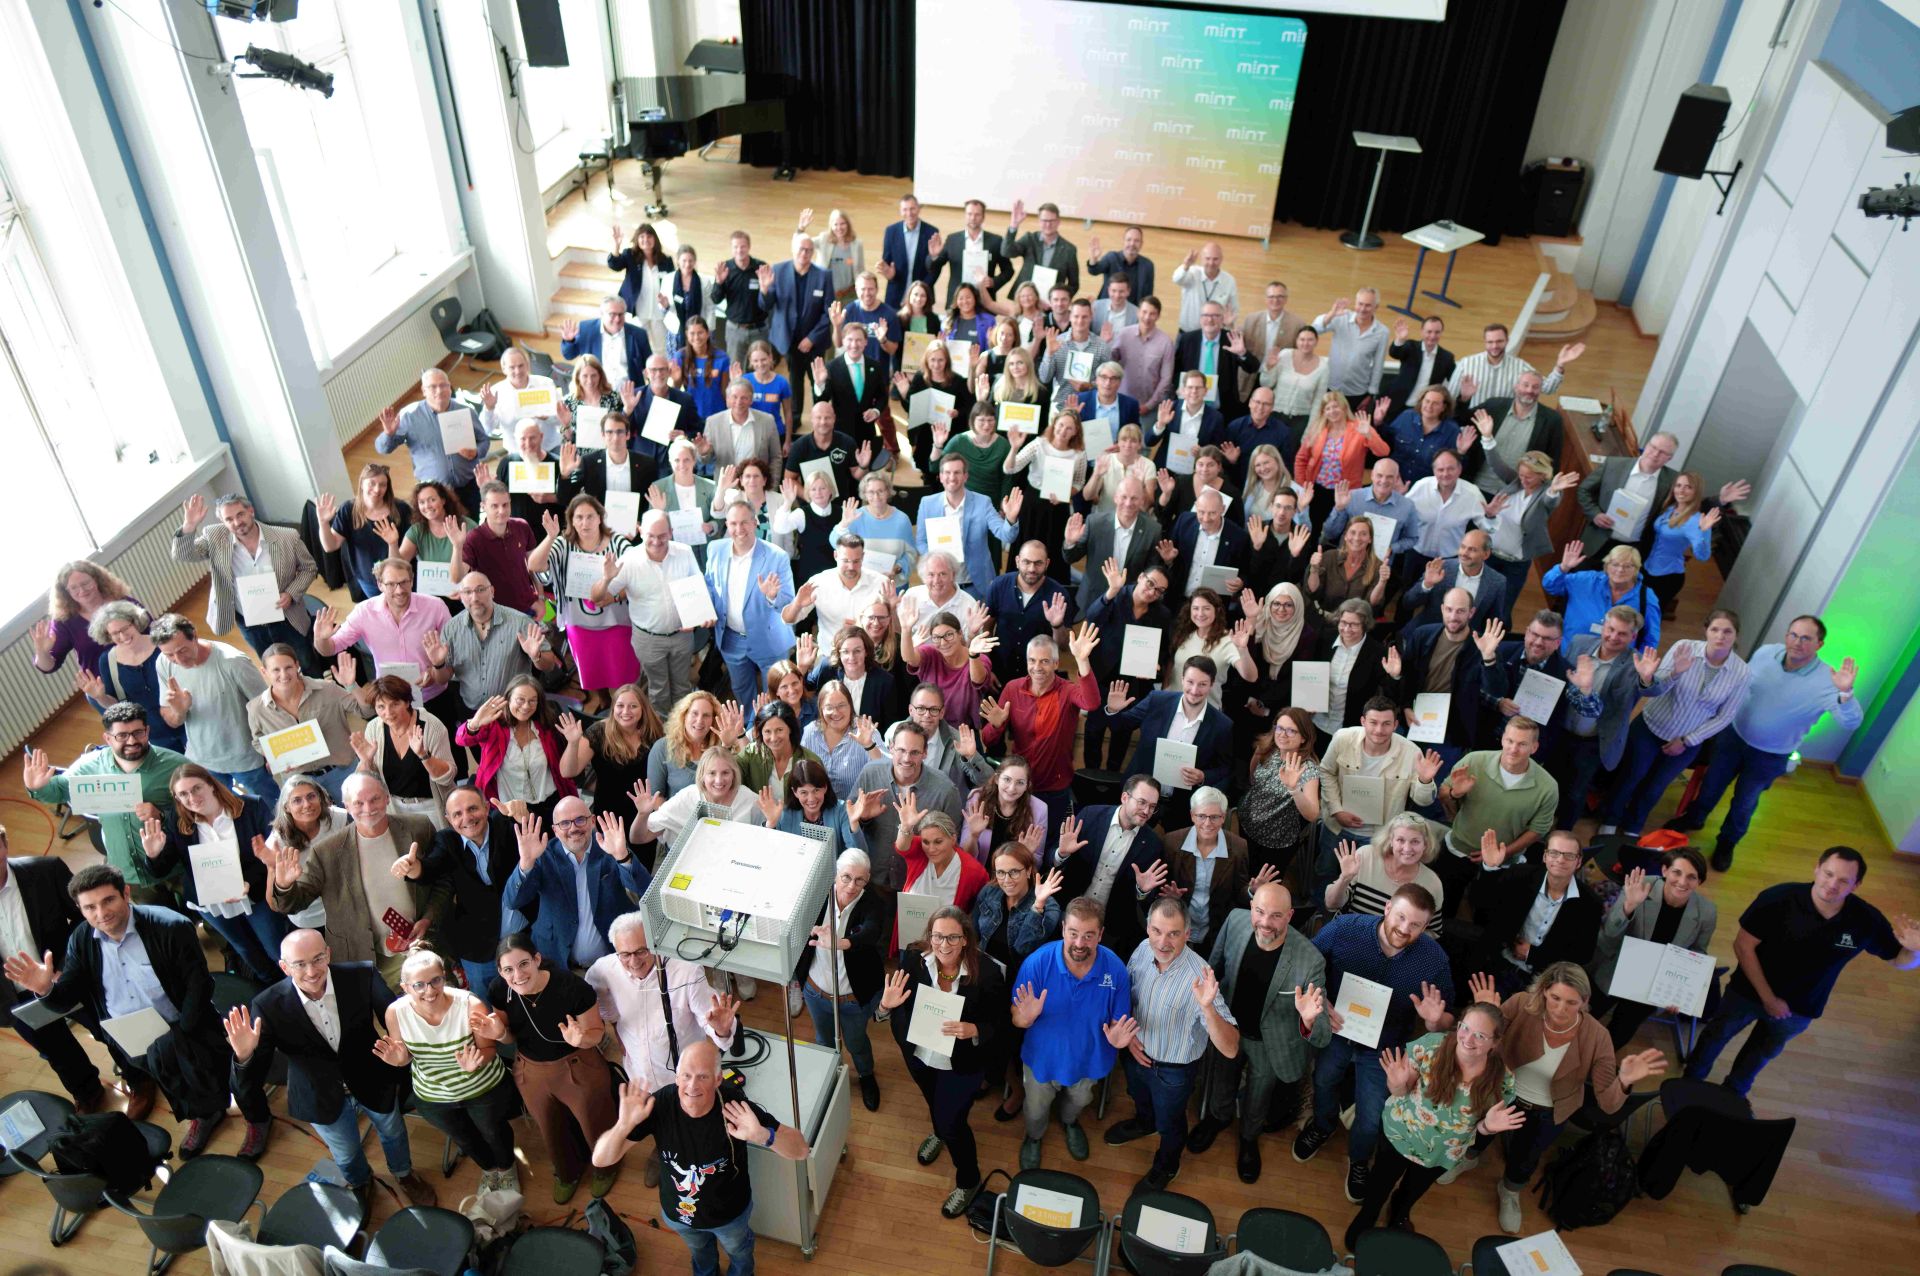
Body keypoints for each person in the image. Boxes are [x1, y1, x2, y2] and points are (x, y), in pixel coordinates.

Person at [6, 864, 266, 1157]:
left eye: (108, 900)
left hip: (186, 1027)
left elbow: (199, 985)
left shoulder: (171, 926)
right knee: (177, 1085)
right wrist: (45, 989)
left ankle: (257, 1120)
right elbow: (64, 1000)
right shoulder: (80, 939)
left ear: (126, 893)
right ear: (79, 909)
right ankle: (205, 1116)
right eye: (90, 907)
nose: (101, 913)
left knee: (226, 1078)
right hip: (132, 1037)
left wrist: (181, 1036)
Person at [225, 930, 438, 1207]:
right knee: (346, 1153)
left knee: (393, 1133)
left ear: (328, 954)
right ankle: (361, 1182)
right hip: (318, 1093)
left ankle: (403, 1174)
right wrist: (243, 1056)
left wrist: (404, 1051)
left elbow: (398, 1017)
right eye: (300, 964)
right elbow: (249, 1084)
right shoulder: (267, 1006)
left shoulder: (362, 975)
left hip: (372, 1077)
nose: (311, 971)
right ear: (284, 967)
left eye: (317, 959)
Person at [1686, 847, 1920, 1095]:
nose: (1832, 884)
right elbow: (1743, 946)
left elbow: (1899, 960)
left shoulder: (1866, 920)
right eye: (1828, 874)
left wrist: (1916, 950)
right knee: (1716, 1036)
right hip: (1747, 992)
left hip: (1800, 1008)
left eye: (1844, 881)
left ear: (1856, 885)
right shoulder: (1777, 899)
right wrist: (1769, 999)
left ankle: (1732, 1095)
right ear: (1816, 869)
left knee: (1761, 1053)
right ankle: (1689, 1083)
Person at [1465, 963, 1667, 1234]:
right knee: (1480, 1131)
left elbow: (1609, 1105)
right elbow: (1484, 1047)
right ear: (1544, 991)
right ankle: (1469, 1157)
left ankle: (1509, 1191)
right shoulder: (1522, 1004)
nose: (1561, 1009)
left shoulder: (1597, 1036)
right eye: (1555, 998)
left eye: (1572, 1002)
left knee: (1526, 1157)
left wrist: (1624, 1081)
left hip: (1548, 1111)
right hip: (1503, 1092)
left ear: (1585, 1001)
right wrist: (1486, 1015)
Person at [1295, 885, 1456, 1205]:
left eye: (1416, 925)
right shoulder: (1345, 929)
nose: (1405, 929)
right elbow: (1304, 963)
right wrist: (1321, 999)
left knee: (1370, 1116)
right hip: (1337, 1031)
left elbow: (1448, 1016)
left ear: (1426, 927)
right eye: (1401, 917)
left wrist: (1435, 1021)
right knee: (1323, 1081)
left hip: (1384, 1047)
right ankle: (1323, 1125)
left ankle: (1359, 1160)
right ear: (1387, 908)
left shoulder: (1434, 959)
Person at [594, 1040, 808, 1276]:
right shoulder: (660, 1104)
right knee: (700, 1253)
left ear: (718, 1079)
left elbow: (801, 1150)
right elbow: (601, 1160)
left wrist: (762, 1135)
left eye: (703, 1077)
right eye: (686, 1075)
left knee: (739, 1252)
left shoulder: (735, 1107)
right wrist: (622, 1125)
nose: (692, 1085)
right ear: (677, 1077)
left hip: (730, 1217)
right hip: (679, 1216)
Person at [1667, 615, 1860, 871]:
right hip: (1734, 737)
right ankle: (1695, 818)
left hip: (1770, 755)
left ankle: (1727, 842)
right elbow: (1740, 684)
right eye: (1793, 635)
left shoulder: (1829, 680)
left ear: (1819, 644)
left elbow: (1851, 722)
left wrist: (1845, 693)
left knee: (1745, 802)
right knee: (1712, 783)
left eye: (1806, 638)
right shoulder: (1766, 653)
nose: (1797, 642)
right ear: (1786, 635)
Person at [1342, 999, 1519, 1248]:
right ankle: (1367, 1215)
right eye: (1465, 1028)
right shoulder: (1431, 1046)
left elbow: (1479, 1130)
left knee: (1413, 1191)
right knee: (1380, 1182)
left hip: (1442, 1151)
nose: (1468, 1039)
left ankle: (1398, 1214)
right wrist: (1396, 1083)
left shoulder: (1502, 1081)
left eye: (1480, 1035)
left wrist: (1488, 1127)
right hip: (1400, 1134)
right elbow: (1400, 1091)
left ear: (1495, 1042)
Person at [587, 912, 738, 1190]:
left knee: (686, 1124)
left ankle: (684, 1156)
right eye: (625, 954)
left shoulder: (686, 971)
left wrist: (721, 1029)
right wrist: (613, 1025)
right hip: (640, 1072)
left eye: (641, 951)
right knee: (652, 1118)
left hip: (682, 1079)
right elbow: (601, 1001)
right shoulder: (603, 969)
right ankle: (661, 1148)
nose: (634, 961)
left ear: (655, 943)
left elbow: (714, 1024)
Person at [1194, 883, 1331, 1182]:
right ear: (1251, 907)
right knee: (1221, 1080)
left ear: (1290, 916)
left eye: (1276, 916)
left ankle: (1248, 1138)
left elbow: (1322, 1035)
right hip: (1229, 1027)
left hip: (1269, 1043)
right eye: (1260, 912)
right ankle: (1217, 1119)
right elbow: (1214, 967)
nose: (1266, 923)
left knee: (1258, 1097)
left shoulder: (1310, 960)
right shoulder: (1235, 920)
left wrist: (1308, 1020)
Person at [1100, 898, 1238, 1192]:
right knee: (1139, 1097)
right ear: (1148, 928)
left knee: (1171, 1124)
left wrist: (1208, 1009)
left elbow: (1230, 1048)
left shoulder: (1201, 977)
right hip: (1135, 1052)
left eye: (1174, 933)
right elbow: (1125, 995)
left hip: (1173, 1071)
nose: (1163, 942)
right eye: (1157, 931)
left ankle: (1167, 1165)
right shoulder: (1142, 949)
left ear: (1187, 934)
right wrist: (1128, 1037)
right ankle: (1144, 1123)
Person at [878, 906, 1007, 1217]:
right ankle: (938, 1131)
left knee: (954, 1124)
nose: (944, 945)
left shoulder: (987, 973)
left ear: (965, 939)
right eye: (937, 936)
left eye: (952, 937)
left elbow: (1002, 1024)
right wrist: (884, 1007)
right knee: (935, 1104)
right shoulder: (914, 960)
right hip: (919, 1055)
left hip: (962, 1064)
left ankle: (969, 1180)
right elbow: (892, 1005)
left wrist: (975, 1029)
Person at [474, 932, 620, 1201]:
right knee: (550, 1128)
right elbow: (510, 1037)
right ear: (500, 972)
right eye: (508, 969)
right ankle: (568, 1172)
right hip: (531, 1069)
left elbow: (597, 1033)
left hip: (577, 1063)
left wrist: (581, 1039)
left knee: (595, 1122)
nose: (518, 975)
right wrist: (499, 1034)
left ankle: (606, 1167)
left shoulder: (572, 987)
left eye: (524, 964)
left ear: (537, 959)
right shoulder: (499, 990)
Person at [265, 773, 441, 987]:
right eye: (358, 803)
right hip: (366, 958)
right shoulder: (326, 852)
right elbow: (293, 905)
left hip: (423, 947)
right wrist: (284, 884)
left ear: (387, 797)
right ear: (346, 806)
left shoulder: (419, 827)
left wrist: (428, 919)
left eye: (375, 799)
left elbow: (443, 882)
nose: (368, 808)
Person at [1010, 896, 1135, 1169]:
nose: (1079, 943)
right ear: (1063, 928)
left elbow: (1119, 1021)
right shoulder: (1037, 963)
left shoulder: (1115, 970)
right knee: (1035, 1109)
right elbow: (1016, 1018)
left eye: (1089, 935)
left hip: (1090, 1060)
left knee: (1079, 1101)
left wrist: (1117, 1038)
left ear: (1100, 934)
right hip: (1042, 1059)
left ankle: (1069, 1123)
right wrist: (1025, 1018)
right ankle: (1034, 1137)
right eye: (1074, 933)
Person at [382, 949, 521, 1193]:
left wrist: (476, 1062)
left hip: (482, 1088)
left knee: (494, 1132)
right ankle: (489, 1170)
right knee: (464, 1138)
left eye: (435, 980)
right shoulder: (395, 1012)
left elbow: (489, 1048)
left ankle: (507, 1168)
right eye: (419, 985)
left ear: (444, 977)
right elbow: (405, 1055)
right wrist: (399, 1060)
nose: (429, 991)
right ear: (405, 987)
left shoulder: (469, 1004)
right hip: (433, 1096)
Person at [0, 825, 115, 1112]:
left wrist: (67, 966)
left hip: (65, 978)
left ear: (5, 845)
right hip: (15, 996)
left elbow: (84, 918)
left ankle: (139, 1079)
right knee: (58, 1052)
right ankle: (88, 1093)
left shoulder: (45, 870)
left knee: (107, 1029)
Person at [141, 765, 288, 984]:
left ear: (211, 784)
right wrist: (153, 855)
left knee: (276, 947)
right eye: (183, 794)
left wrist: (248, 882)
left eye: (196, 788)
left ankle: (294, 986)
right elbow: (161, 870)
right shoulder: (176, 820)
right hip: (211, 902)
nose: (192, 798)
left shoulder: (252, 807)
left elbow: (272, 854)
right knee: (245, 949)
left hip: (255, 893)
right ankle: (272, 988)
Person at [25, 704, 187, 896]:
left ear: (147, 731)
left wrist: (162, 814)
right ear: (107, 738)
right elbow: (58, 791)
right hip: (129, 874)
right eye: (122, 736)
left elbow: (203, 809)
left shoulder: (176, 765)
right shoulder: (89, 766)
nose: (132, 741)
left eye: (138, 733)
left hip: (176, 867)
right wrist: (37, 788)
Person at [500, 800, 650, 974]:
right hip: (559, 966)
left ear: (592, 821)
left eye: (580, 820)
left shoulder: (610, 846)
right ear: (555, 830)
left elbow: (645, 890)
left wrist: (622, 856)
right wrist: (526, 862)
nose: (573, 828)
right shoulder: (543, 854)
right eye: (564, 823)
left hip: (613, 963)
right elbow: (513, 901)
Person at [172, 492, 320, 666]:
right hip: (251, 623)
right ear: (222, 522)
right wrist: (189, 525)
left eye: (240, 514)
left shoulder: (287, 537)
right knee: (272, 665)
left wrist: (290, 593)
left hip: (288, 616)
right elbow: (182, 555)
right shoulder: (214, 537)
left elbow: (309, 568)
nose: (236, 523)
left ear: (251, 511)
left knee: (307, 662)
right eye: (229, 519)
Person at [1588, 850, 1717, 1047]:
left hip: (1654, 983)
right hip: (1616, 965)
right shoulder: (1640, 886)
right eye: (1677, 872)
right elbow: (1610, 934)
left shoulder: (1707, 911)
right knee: (1586, 1017)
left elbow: (1698, 951)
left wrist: (1679, 992)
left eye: (1692, 877)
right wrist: (1629, 906)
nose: (1682, 882)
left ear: (1699, 881)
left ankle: (1600, 1060)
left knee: (1621, 1031)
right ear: (1664, 870)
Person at [792, 847, 889, 1108]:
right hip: (815, 991)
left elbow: (871, 932)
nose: (851, 886)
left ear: (867, 880)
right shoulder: (817, 895)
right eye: (846, 877)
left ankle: (866, 1076)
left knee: (857, 1043)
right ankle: (829, 1077)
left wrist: (841, 942)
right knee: (823, 1040)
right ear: (835, 874)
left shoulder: (873, 902)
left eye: (859, 880)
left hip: (852, 998)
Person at [972, 843, 1062, 1118]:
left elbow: (1023, 947)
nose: (1006, 880)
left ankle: (1016, 1089)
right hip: (988, 974)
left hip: (1021, 984)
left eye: (1014, 872)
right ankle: (989, 1075)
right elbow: (974, 930)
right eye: (1000, 872)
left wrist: (1036, 906)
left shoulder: (1048, 905)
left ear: (1029, 870)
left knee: (1007, 1039)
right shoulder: (989, 892)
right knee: (981, 1028)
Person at [1433, 718, 1559, 914]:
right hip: (1459, 848)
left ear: (1534, 747)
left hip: (1504, 861)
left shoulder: (1548, 787)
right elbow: (1443, 794)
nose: (1513, 749)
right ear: (1502, 739)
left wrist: (1504, 852)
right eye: (1510, 741)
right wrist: (1454, 793)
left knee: (1486, 913)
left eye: (1522, 744)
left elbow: (1538, 830)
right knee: (1443, 907)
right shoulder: (1474, 761)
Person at [1554, 609, 1664, 829]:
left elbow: (1653, 690)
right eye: (1610, 629)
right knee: (1552, 780)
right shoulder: (1579, 642)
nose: (1613, 637)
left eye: (1622, 633)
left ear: (1633, 636)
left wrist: (1646, 678)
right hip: (1561, 730)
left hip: (1595, 741)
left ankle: (1562, 833)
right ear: (1603, 626)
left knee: (1576, 793)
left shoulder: (1636, 663)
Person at [151, 612, 276, 801]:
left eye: (183, 650)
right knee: (222, 811)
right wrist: (179, 710)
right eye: (170, 654)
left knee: (271, 806)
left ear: (194, 635)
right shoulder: (163, 662)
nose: (178, 659)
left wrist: (272, 753)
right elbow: (172, 719)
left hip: (246, 760)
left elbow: (267, 708)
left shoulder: (233, 662)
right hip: (202, 760)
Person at [591, 511, 704, 716]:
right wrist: (606, 579)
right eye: (651, 535)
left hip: (682, 635)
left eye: (662, 536)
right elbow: (597, 598)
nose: (656, 541)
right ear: (640, 531)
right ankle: (662, 729)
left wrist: (695, 618)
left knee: (682, 686)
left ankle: (681, 727)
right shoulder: (629, 560)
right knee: (658, 690)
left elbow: (697, 587)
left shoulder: (685, 552)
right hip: (648, 640)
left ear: (671, 532)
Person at [411, 786, 519, 999]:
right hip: (476, 943)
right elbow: (430, 868)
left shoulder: (505, 824)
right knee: (484, 1003)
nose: (467, 818)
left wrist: (522, 815)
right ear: (448, 819)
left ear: (486, 808)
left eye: (472, 809)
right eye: (457, 814)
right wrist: (414, 869)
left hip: (519, 935)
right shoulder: (446, 840)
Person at [1466, 829, 1603, 996]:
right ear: (1545, 856)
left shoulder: (1590, 903)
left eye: (1569, 855)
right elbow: (1481, 905)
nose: (1560, 860)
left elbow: (1582, 955)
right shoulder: (1519, 876)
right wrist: (1490, 869)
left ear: (1578, 861)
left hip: (1543, 981)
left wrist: (1533, 954)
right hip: (1497, 962)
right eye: (1554, 853)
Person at [531, 497, 637, 712]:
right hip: (579, 624)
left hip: (616, 623)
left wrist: (616, 597)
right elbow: (534, 565)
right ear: (571, 520)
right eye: (579, 517)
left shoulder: (617, 542)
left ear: (600, 517)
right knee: (592, 672)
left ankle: (623, 711)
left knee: (621, 675)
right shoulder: (562, 543)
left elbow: (638, 577)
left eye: (590, 516)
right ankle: (604, 703)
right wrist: (550, 537)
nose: (585, 522)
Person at [1104, 658, 1233, 831]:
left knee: (1174, 847)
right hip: (1140, 799)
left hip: (1182, 806)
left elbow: (1225, 768)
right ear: (1182, 679)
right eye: (1190, 682)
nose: (1195, 690)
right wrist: (1113, 711)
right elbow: (1120, 727)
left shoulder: (1222, 725)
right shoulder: (1156, 700)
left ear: (1212, 684)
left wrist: (1203, 777)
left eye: (1202, 684)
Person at [312, 555, 454, 712]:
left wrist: (433, 672)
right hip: (389, 700)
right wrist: (321, 639)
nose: (399, 590)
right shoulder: (364, 612)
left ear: (412, 581)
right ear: (380, 585)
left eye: (404, 582)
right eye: (391, 584)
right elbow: (330, 649)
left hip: (432, 696)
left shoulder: (435, 607)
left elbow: (451, 654)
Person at [1396, 594, 1509, 771]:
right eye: (1449, 609)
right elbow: (1408, 676)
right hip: (1415, 719)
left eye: (1461, 611)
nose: (1453, 616)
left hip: (1452, 730)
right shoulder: (1422, 634)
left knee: (1437, 782)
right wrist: (1405, 706)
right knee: (1402, 774)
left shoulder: (1482, 644)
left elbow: (1496, 690)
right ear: (1442, 609)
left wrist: (1488, 657)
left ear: (1471, 612)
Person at [1079, 563, 1173, 772]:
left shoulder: (1162, 614)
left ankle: (1113, 774)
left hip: (1133, 683)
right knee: (1094, 730)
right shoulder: (1116, 595)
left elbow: (1163, 650)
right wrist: (1111, 591)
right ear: (1140, 577)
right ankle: (1090, 774)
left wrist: (1154, 665)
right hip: (1102, 678)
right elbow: (1092, 617)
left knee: (1122, 733)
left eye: (1160, 590)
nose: (1152, 592)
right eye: (1150, 583)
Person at [246, 646, 368, 803]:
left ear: (297, 665)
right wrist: (275, 757)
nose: (283, 675)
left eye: (288, 667)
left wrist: (352, 686)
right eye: (276, 670)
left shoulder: (327, 689)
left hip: (341, 772)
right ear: (264, 672)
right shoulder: (256, 709)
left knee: (355, 813)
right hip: (298, 782)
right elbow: (257, 741)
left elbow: (366, 711)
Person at [704, 501, 796, 706]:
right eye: (733, 523)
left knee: (777, 696)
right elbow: (709, 585)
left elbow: (790, 602)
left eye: (744, 522)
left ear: (755, 523)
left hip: (770, 639)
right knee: (742, 691)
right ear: (727, 525)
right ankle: (749, 724)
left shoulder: (777, 556)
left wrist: (773, 596)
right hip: (731, 638)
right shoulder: (716, 549)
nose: (739, 529)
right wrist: (703, 611)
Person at [1319, 698, 1444, 845]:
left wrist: (1425, 781)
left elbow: (1423, 801)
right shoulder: (1342, 739)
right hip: (1337, 828)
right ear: (1363, 721)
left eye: (1386, 724)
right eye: (1373, 722)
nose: (1379, 730)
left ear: (1395, 725)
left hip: (1381, 836)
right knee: (1327, 861)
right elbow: (1326, 771)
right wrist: (1336, 810)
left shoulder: (1411, 752)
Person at [1477, 452, 1578, 624]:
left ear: (1542, 475)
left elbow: (1550, 502)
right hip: (1490, 555)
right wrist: (1487, 439)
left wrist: (1554, 490)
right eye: (1521, 474)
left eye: (1529, 477)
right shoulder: (1515, 482)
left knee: (1501, 609)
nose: (1523, 480)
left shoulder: (1546, 492)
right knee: (1477, 599)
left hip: (1515, 564)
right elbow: (1495, 462)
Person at [374, 369, 488, 516]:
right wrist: (388, 434)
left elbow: (484, 440)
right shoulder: (410, 416)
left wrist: (476, 452)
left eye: (443, 385)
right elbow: (383, 449)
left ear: (450, 387)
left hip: (468, 487)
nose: (439, 391)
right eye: (433, 387)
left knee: (472, 526)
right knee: (439, 528)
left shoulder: (466, 411)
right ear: (424, 390)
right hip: (433, 493)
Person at [1158, 788, 1254, 953]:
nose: (1208, 823)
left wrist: (1252, 890)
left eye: (1214, 817)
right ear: (1192, 815)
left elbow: (1239, 894)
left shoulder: (1239, 847)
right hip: (1176, 926)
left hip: (1216, 931)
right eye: (1201, 816)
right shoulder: (1171, 843)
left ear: (1223, 817)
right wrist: (1170, 898)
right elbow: (1160, 890)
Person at [80, 602, 185, 753]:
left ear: (135, 622)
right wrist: (100, 697)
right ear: (108, 635)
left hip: (185, 719)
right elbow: (117, 706)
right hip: (151, 734)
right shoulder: (107, 661)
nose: (123, 636)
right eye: (115, 633)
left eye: (125, 628)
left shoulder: (162, 645)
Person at [354, 674, 458, 824]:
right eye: (381, 707)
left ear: (407, 702)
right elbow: (366, 780)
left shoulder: (432, 727)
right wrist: (366, 761)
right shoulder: (374, 728)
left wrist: (424, 755)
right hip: (394, 807)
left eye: (395, 704)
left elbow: (448, 777)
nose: (388, 713)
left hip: (431, 806)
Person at [1640, 470, 1740, 620]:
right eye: (1678, 485)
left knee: (1647, 619)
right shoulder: (1669, 508)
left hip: (1666, 577)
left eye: (1688, 487)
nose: (1681, 490)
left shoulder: (1695, 520)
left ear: (1695, 492)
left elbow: (1703, 556)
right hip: (1647, 570)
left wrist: (1704, 531)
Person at [1238, 712, 1323, 885]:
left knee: (1265, 888)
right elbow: (1252, 778)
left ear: (1304, 738)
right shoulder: (1266, 748)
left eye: (1291, 731)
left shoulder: (1308, 769)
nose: (1283, 734)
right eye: (1280, 728)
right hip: (1246, 825)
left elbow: (1313, 814)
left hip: (1276, 841)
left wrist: (1293, 789)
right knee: (1242, 877)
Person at [1326, 812, 1449, 932]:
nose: (1407, 848)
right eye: (1400, 840)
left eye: (1415, 841)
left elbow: (1432, 931)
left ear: (1425, 845)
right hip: (1346, 934)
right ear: (1391, 841)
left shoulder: (1432, 883)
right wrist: (1344, 878)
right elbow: (1331, 904)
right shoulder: (1365, 856)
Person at [27, 559, 143, 683]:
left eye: (86, 583)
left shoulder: (122, 601)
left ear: (96, 580)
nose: (82, 591)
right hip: (104, 685)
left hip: (143, 669)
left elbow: (151, 631)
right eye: (74, 588)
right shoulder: (65, 622)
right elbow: (49, 667)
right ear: (66, 592)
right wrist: (42, 652)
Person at [1542, 541, 1662, 655]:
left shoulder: (1646, 598)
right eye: (1615, 564)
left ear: (1636, 569)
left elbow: (1650, 638)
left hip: (1615, 664)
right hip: (1569, 655)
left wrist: (1637, 663)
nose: (1620, 570)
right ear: (1606, 565)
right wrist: (1563, 568)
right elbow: (1550, 586)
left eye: (1628, 566)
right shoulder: (1584, 581)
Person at [1305, 598, 1401, 734]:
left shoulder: (1377, 653)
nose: (1347, 629)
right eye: (1343, 622)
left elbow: (1391, 696)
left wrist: (1394, 676)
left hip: (1350, 728)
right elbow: (1309, 673)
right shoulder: (1324, 639)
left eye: (1354, 624)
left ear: (1365, 625)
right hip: (1315, 722)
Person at [1296, 394, 1391, 527]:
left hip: (1345, 493)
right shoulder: (1317, 429)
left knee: (1338, 529)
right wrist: (1302, 486)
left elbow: (1383, 451)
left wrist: (1368, 434)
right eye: (1327, 408)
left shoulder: (1359, 428)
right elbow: (1301, 459)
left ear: (1344, 407)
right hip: (1316, 490)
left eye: (1335, 406)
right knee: (1312, 527)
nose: (1332, 411)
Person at [637, 746, 761, 848]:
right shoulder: (687, 797)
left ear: (734, 774)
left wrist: (770, 821)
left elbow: (766, 839)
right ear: (702, 775)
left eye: (725, 773)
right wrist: (642, 815)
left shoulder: (748, 798)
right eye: (712, 773)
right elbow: (639, 838)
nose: (719, 780)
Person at [897, 602, 994, 729]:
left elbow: (978, 680)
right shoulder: (930, 653)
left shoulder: (978, 658)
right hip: (929, 725)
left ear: (960, 633)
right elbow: (909, 658)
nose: (943, 643)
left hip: (964, 729)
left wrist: (973, 655)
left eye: (949, 635)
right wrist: (906, 629)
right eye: (936, 637)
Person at [452, 484, 540, 615]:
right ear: (483, 506)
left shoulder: (522, 526)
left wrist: (540, 598)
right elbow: (456, 578)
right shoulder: (473, 538)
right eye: (495, 506)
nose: (501, 511)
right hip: (492, 613)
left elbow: (534, 566)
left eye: (505, 505)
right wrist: (457, 547)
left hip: (527, 609)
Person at [1446, 323, 1577, 409]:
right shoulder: (1466, 364)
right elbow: (1449, 397)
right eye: (1490, 342)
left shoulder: (1520, 366)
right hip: (1470, 422)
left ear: (1507, 341)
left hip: (1503, 424)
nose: (1494, 346)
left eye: (1499, 341)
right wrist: (1464, 398)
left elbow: (1547, 388)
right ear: (1485, 342)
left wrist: (1560, 365)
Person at [1400, 528, 1508, 631]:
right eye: (1463, 547)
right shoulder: (1440, 567)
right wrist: (1427, 584)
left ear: (1486, 554)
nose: (1464, 553)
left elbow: (1494, 621)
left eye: (1472, 549)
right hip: (1425, 635)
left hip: (1465, 641)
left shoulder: (1497, 582)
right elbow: (1408, 603)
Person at [788, 532, 886, 644]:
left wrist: (867, 627)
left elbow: (895, 630)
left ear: (863, 556)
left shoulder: (880, 582)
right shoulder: (818, 582)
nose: (851, 567)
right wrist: (797, 604)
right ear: (835, 555)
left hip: (871, 651)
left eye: (856, 561)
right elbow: (788, 620)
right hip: (829, 652)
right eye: (846, 561)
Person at [831, 473, 916, 591]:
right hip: (863, 587)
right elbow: (835, 543)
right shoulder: (856, 516)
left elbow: (911, 555)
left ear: (888, 492)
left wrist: (896, 569)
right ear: (864, 494)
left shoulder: (902, 520)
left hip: (894, 587)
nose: (876, 496)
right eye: (871, 492)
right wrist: (844, 524)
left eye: (880, 491)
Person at [561, 295, 654, 398]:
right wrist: (569, 341)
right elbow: (568, 355)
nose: (617, 319)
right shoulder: (586, 329)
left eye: (621, 314)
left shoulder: (638, 334)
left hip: (629, 394)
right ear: (601, 314)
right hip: (596, 393)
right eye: (612, 314)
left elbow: (649, 366)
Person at [1311, 291, 1392, 407]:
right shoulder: (1341, 317)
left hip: (1357, 391)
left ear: (1376, 307)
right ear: (1355, 304)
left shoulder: (1382, 332)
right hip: (1330, 386)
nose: (1363, 309)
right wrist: (1331, 314)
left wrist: (1371, 393)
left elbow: (1378, 364)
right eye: (1360, 304)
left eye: (1368, 305)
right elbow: (1314, 330)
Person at [930, 197, 1012, 305]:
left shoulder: (996, 241)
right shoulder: (952, 239)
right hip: (957, 301)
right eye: (969, 214)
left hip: (985, 300)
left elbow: (1008, 270)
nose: (973, 218)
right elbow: (933, 268)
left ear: (983, 217)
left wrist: (993, 282)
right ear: (965, 215)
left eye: (977, 214)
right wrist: (934, 256)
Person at [1001, 198, 1080, 296]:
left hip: (1050, 302)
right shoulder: (1030, 239)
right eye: (1044, 220)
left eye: (1052, 220)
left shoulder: (1069, 250)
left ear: (1058, 221)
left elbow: (1074, 284)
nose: (1048, 224)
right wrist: (1014, 225)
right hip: (1024, 299)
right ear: (1039, 221)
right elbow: (1006, 252)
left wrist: (1059, 300)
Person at [1382, 315, 1454, 418]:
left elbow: (1454, 379)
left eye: (1437, 332)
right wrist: (1400, 340)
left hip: (1424, 410)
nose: (1432, 336)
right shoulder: (1411, 347)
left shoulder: (1447, 357)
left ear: (1441, 333)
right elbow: (1394, 353)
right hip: (1398, 403)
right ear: (1422, 332)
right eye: (1429, 332)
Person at [673, 316, 732, 421]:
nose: (696, 337)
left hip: (716, 414)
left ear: (708, 333)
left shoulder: (722, 357)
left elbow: (725, 391)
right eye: (692, 333)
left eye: (700, 333)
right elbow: (675, 390)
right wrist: (676, 380)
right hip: (691, 414)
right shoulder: (680, 356)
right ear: (686, 334)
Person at [1169, 242, 1237, 331]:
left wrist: (1227, 324)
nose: (1211, 263)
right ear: (1201, 259)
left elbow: (1233, 309)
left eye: (1215, 259)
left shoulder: (1229, 280)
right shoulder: (1192, 272)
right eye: (1207, 258)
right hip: (1188, 332)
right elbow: (1176, 279)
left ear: (1221, 259)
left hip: (1215, 333)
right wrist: (1186, 265)